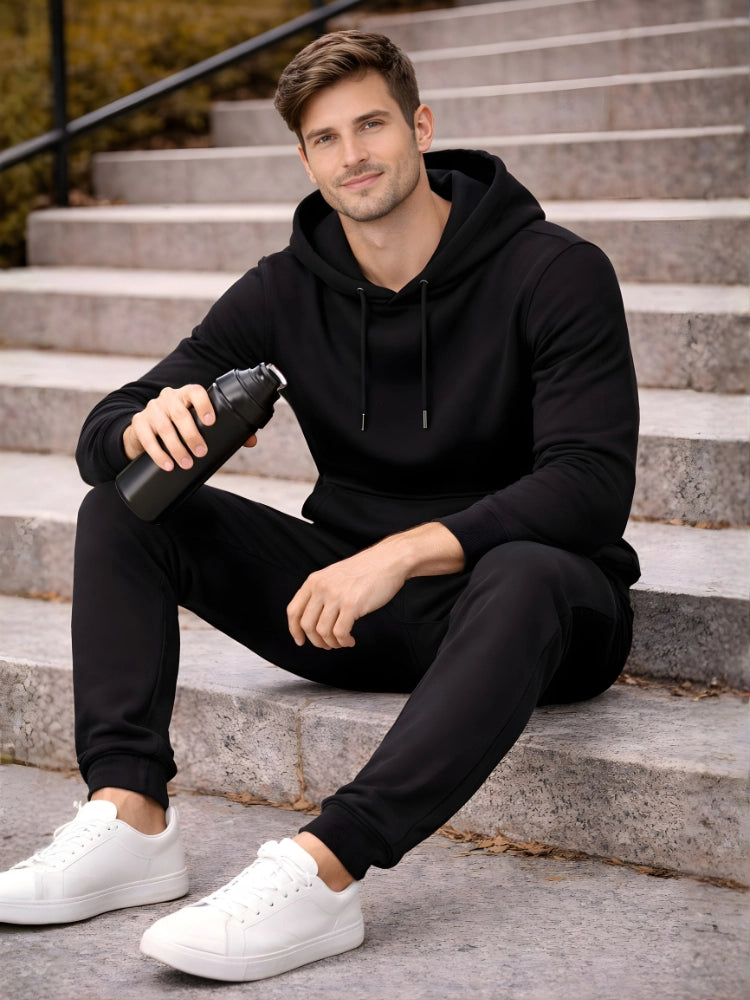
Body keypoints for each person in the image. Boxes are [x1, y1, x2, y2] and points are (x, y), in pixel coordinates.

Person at [0, 29, 640, 982]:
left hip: (535, 613)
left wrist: (400, 552)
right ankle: (129, 815)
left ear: (421, 127)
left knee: (525, 571)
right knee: (126, 509)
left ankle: (324, 868)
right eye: (326, 138)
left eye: (372, 125)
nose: (354, 156)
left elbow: (590, 486)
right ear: (305, 160)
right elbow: (103, 437)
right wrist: (146, 424)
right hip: (344, 614)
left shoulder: (555, 271)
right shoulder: (288, 286)